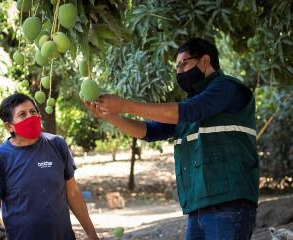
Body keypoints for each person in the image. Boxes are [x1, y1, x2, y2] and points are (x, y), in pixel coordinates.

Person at [85, 38, 259, 240]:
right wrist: (111, 115)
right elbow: (148, 131)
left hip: (229, 204)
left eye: (184, 63)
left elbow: (192, 110)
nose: (179, 71)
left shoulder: (227, 88)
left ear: (204, 61)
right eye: (176, 67)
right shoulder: (187, 109)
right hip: (199, 206)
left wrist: (124, 105)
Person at [0, 93, 99, 240]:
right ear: (9, 126)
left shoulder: (57, 144)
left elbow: (72, 192)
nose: (30, 117)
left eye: (33, 112)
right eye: (22, 114)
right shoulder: (0, 157)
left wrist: (92, 234)